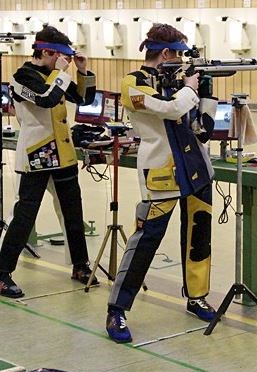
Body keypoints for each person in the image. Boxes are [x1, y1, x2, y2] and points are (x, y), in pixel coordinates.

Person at [105, 23, 218, 343]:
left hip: (197, 170)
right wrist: (190, 89)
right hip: (161, 175)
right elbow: (170, 109)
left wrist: (207, 94)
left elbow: (202, 130)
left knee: (199, 238)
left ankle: (197, 296)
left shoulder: (180, 83)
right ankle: (117, 309)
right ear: (166, 53)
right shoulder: (133, 84)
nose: (182, 61)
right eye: (179, 55)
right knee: (145, 241)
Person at [0, 26, 98, 298]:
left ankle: (80, 265)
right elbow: (47, 98)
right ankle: (2, 272)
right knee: (25, 215)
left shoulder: (55, 74)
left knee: (73, 212)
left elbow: (84, 98)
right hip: (38, 154)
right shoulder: (22, 76)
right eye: (59, 56)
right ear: (45, 52)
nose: (63, 61)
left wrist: (83, 71)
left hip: (63, 153)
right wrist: (62, 74)